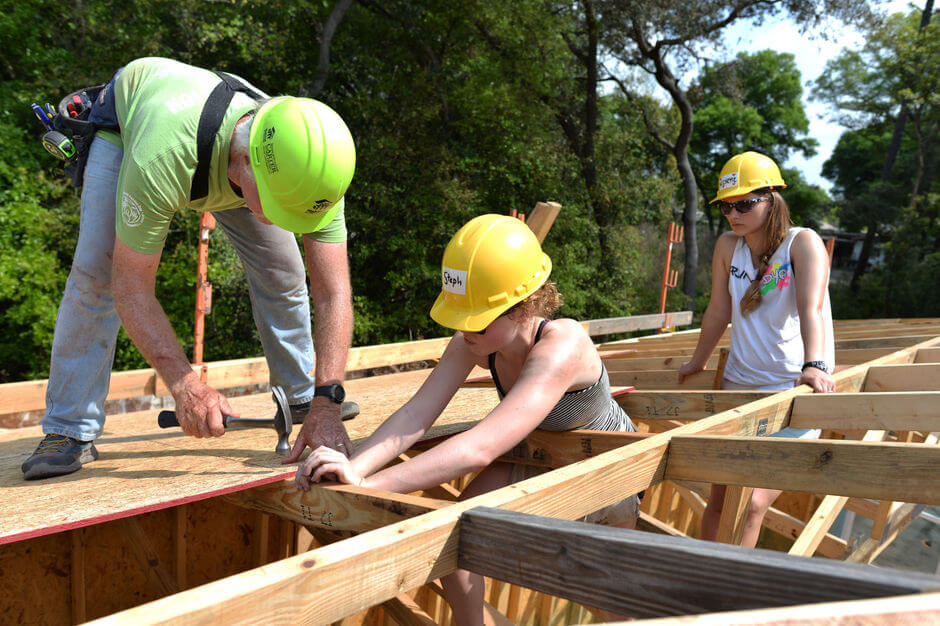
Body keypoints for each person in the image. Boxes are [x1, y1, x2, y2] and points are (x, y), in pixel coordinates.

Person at [295, 214, 639, 626]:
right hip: (537, 456)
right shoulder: (475, 339)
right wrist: (354, 467)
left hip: (608, 471)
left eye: (474, 317)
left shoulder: (563, 345)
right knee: (458, 550)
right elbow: (415, 414)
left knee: (607, 603)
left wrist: (369, 486)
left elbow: (481, 447)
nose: (464, 328)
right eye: (458, 315)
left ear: (525, 304)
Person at [22, 57, 357, 480]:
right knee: (98, 275)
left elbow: (333, 292)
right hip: (129, 131)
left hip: (217, 141)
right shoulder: (163, 155)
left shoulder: (314, 167)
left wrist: (329, 400)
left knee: (284, 272)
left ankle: (303, 398)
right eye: (276, 210)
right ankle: (68, 430)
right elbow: (131, 287)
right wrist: (186, 386)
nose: (280, 221)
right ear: (244, 166)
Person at [677, 151, 836, 547]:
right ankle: (699, 577)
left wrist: (814, 365)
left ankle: (729, 592)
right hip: (740, 389)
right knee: (722, 493)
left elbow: (810, 308)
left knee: (752, 502)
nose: (734, 214)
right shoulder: (729, 247)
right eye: (727, 206)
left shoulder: (803, 244)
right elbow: (718, 311)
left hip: (791, 393)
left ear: (772, 198)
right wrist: (697, 361)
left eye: (745, 203)